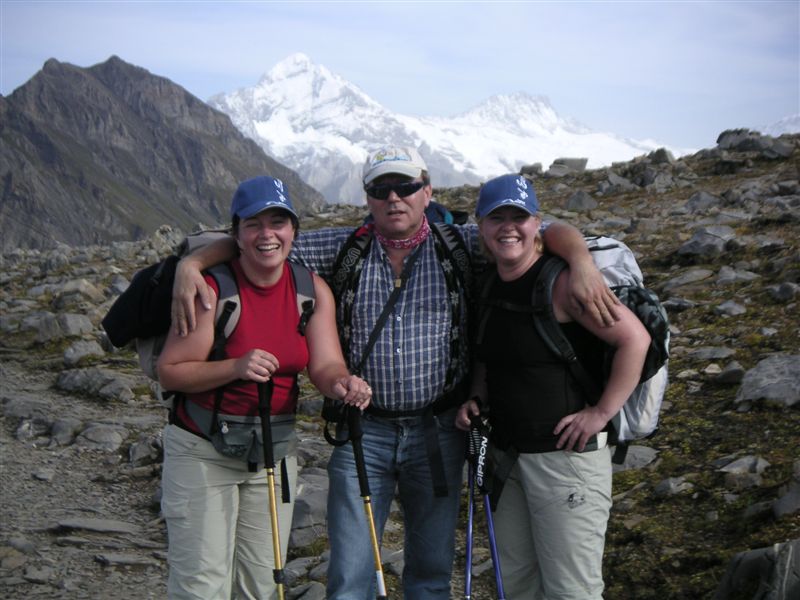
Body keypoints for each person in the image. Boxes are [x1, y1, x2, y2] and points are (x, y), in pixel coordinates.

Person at [171, 147, 622, 600]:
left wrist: (581, 260)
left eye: (405, 186)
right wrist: (192, 264)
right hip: (363, 430)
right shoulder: (341, 246)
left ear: (427, 191)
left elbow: (543, 231)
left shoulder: (464, 242)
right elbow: (262, 242)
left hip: (438, 429)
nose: (394, 198)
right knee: (350, 576)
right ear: (367, 196)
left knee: (430, 571)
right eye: (380, 189)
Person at [157, 175, 372, 600]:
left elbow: (325, 364)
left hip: (273, 451)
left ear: (293, 230)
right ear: (236, 234)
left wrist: (342, 384)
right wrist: (235, 367)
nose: (267, 234)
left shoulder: (311, 290)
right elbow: (171, 371)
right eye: (253, 224)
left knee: (262, 584)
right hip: (202, 451)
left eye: (278, 222)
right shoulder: (212, 289)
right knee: (202, 585)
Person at [456, 173, 651, 600]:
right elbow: (490, 355)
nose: (508, 227)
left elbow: (635, 340)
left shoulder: (562, 283)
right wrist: (477, 397)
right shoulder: (489, 282)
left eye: (519, 217)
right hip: (509, 456)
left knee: (571, 591)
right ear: (481, 226)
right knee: (515, 584)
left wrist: (601, 412)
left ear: (536, 223)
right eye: (497, 218)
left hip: (567, 462)